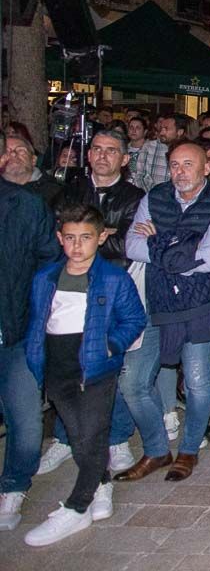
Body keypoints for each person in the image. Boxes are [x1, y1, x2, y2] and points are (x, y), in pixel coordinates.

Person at [22, 205, 145, 546]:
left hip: (95, 367)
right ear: (60, 238)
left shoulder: (113, 277)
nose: (77, 246)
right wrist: (37, 358)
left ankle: (77, 506)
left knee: (92, 432)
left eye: (86, 238)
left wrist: (111, 345)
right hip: (57, 366)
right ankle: (101, 484)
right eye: (70, 238)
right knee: (79, 436)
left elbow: (134, 319)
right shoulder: (45, 277)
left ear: (101, 238)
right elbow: (39, 321)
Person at [122, 140, 210, 482]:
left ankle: (188, 448)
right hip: (155, 302)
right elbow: (132, 246)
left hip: (199, 305)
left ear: (206, 168)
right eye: (174, 165)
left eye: (188, 164)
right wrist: (181, 245)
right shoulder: (154, 197)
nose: (179, 172)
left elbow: (209, 259)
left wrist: (159, 239)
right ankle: (156, 450)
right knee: (134, 382)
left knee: (198, 383)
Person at [0, 133, 61, 532]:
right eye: (5, 150)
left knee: (25, 419)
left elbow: (49, 261)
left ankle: (14, 485)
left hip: (15, 327)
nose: (10, 156)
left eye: (18, 149)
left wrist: (34, 311)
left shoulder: (27, 207)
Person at [60, 130, 144, 267]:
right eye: (97, 149)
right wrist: (106, 231)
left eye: (111, 151)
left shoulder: (135, 197)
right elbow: (56, 234)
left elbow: (125, 244)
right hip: (72, 269)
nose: (102, 156)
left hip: (116, 273)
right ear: (89, 155)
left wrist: (77, 235)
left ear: (124, 160)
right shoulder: (71, 191)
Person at [2, 135, 62, 206]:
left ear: (33, 160)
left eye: (21, 150)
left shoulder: (55, 193)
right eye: (6, 151)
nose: (13, 154)